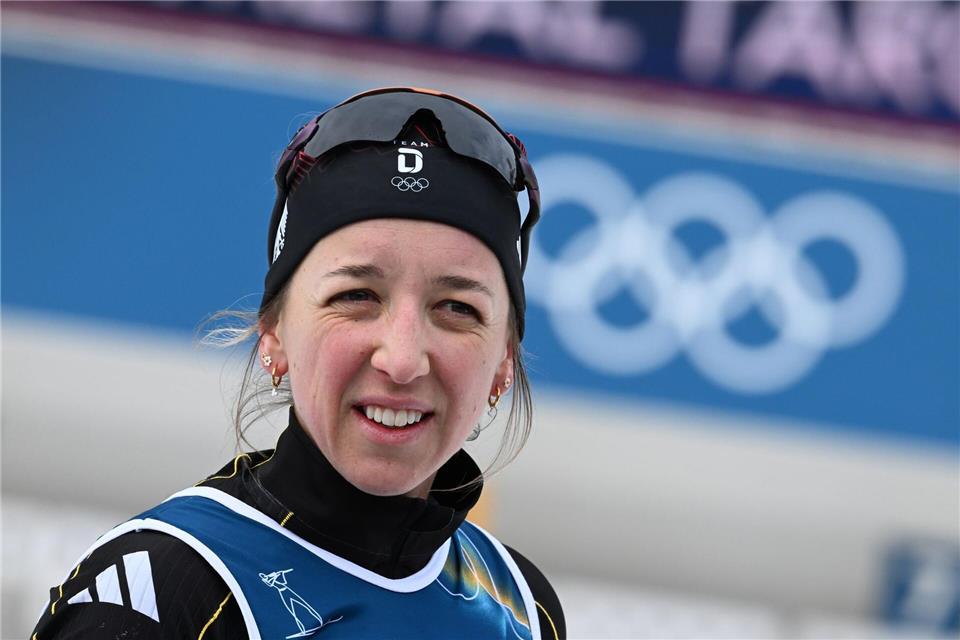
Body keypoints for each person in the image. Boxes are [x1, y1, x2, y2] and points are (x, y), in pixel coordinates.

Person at [31, 87, 565, 639]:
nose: (403, 360)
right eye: (356, 296)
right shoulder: (168, 590)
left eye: (457, 307)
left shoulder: (522, 605)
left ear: (505, 358)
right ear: (274, 333)